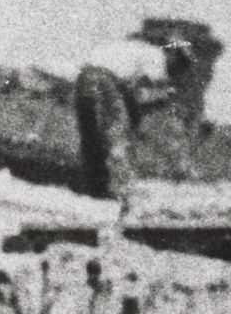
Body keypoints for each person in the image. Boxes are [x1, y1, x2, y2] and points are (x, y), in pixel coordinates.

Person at [72, 31, 190, 199]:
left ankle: (95, 188)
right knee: (117, 136)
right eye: (179, 64)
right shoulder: (157, 57)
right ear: (172, 53)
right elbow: (140, 95)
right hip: (105, 81)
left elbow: (129, 94)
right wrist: (163, 98)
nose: (177, 71)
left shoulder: (138, 50)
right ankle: (122, 188)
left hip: (84, 77)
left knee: (92, 137)